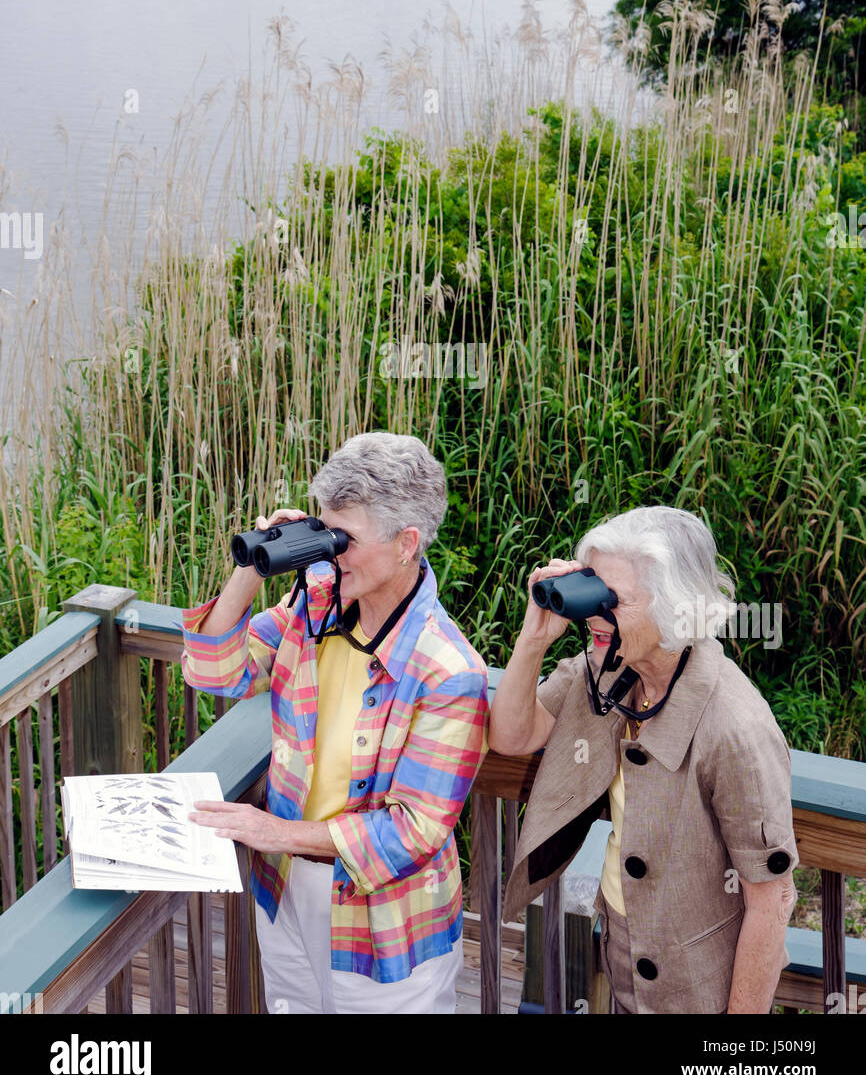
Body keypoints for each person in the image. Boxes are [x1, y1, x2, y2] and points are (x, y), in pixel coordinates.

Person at [181, 431, 488, 1013]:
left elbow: (412, 833)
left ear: (406, 543)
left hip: (385, 922)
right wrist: (254, 562)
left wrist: (272, 833)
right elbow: (214, 671)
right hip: (289, 893)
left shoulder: (449, 672)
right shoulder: (314, 603)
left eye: (343, 540)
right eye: (324, 533)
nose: (329, 552)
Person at [490, 505, 798, 1014]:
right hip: (618, 945)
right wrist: (534, 637)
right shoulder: (609, 669)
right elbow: (513, 734)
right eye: (593, 589)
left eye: (614, 600)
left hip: (697, 982)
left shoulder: (734, 726)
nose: (593, 614)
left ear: (677, 607)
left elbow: (773, 900)